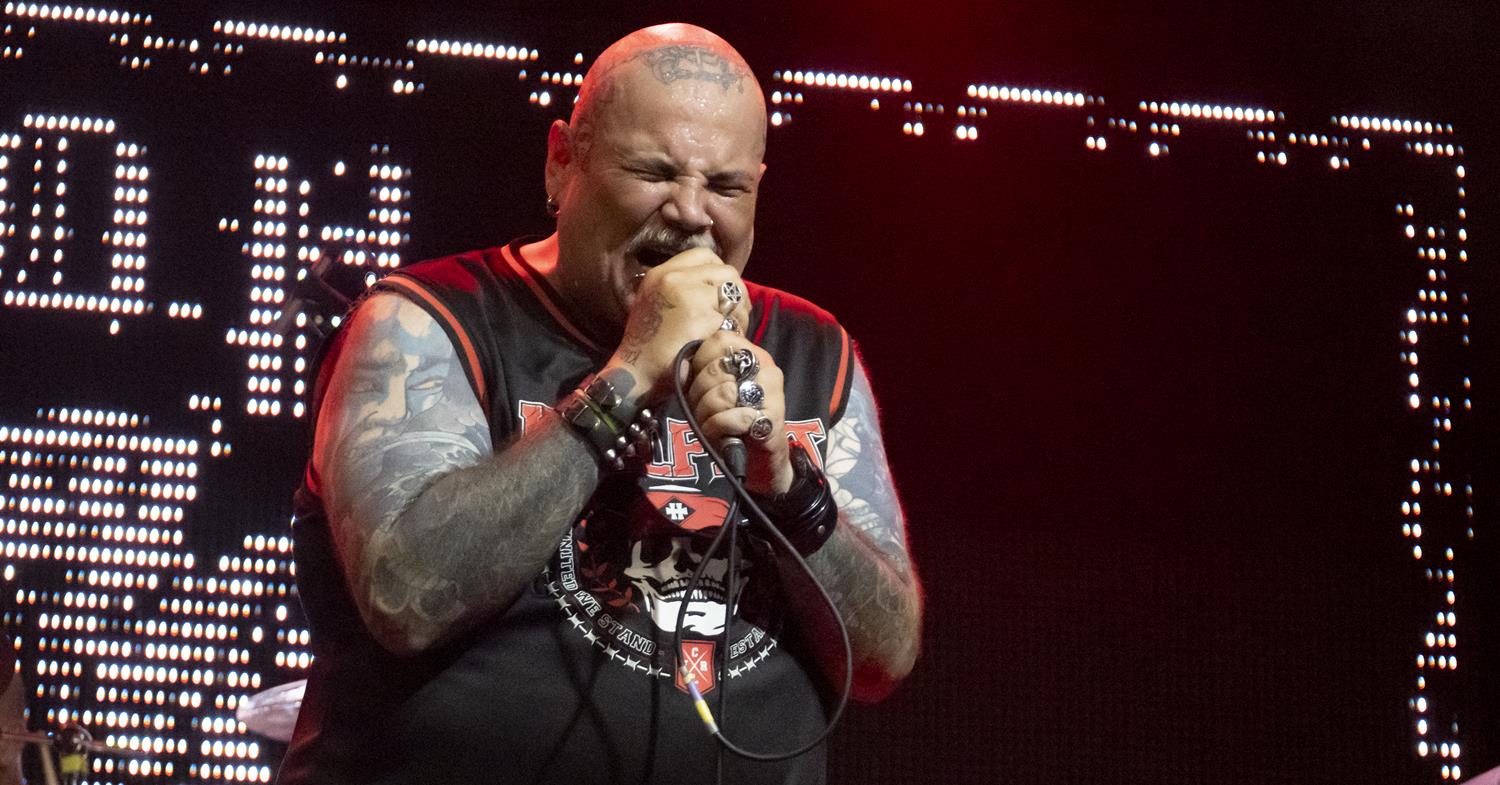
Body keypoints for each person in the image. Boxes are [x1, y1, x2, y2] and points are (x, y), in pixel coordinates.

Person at [278, 23, 921, 785]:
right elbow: (407, 594)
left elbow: (884, 658)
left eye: (725, 187)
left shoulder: (813, 351)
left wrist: (785, 481)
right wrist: (629, 376)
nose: (690, 213)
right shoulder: (428, 320)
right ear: (562, 163)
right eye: (654, 171)